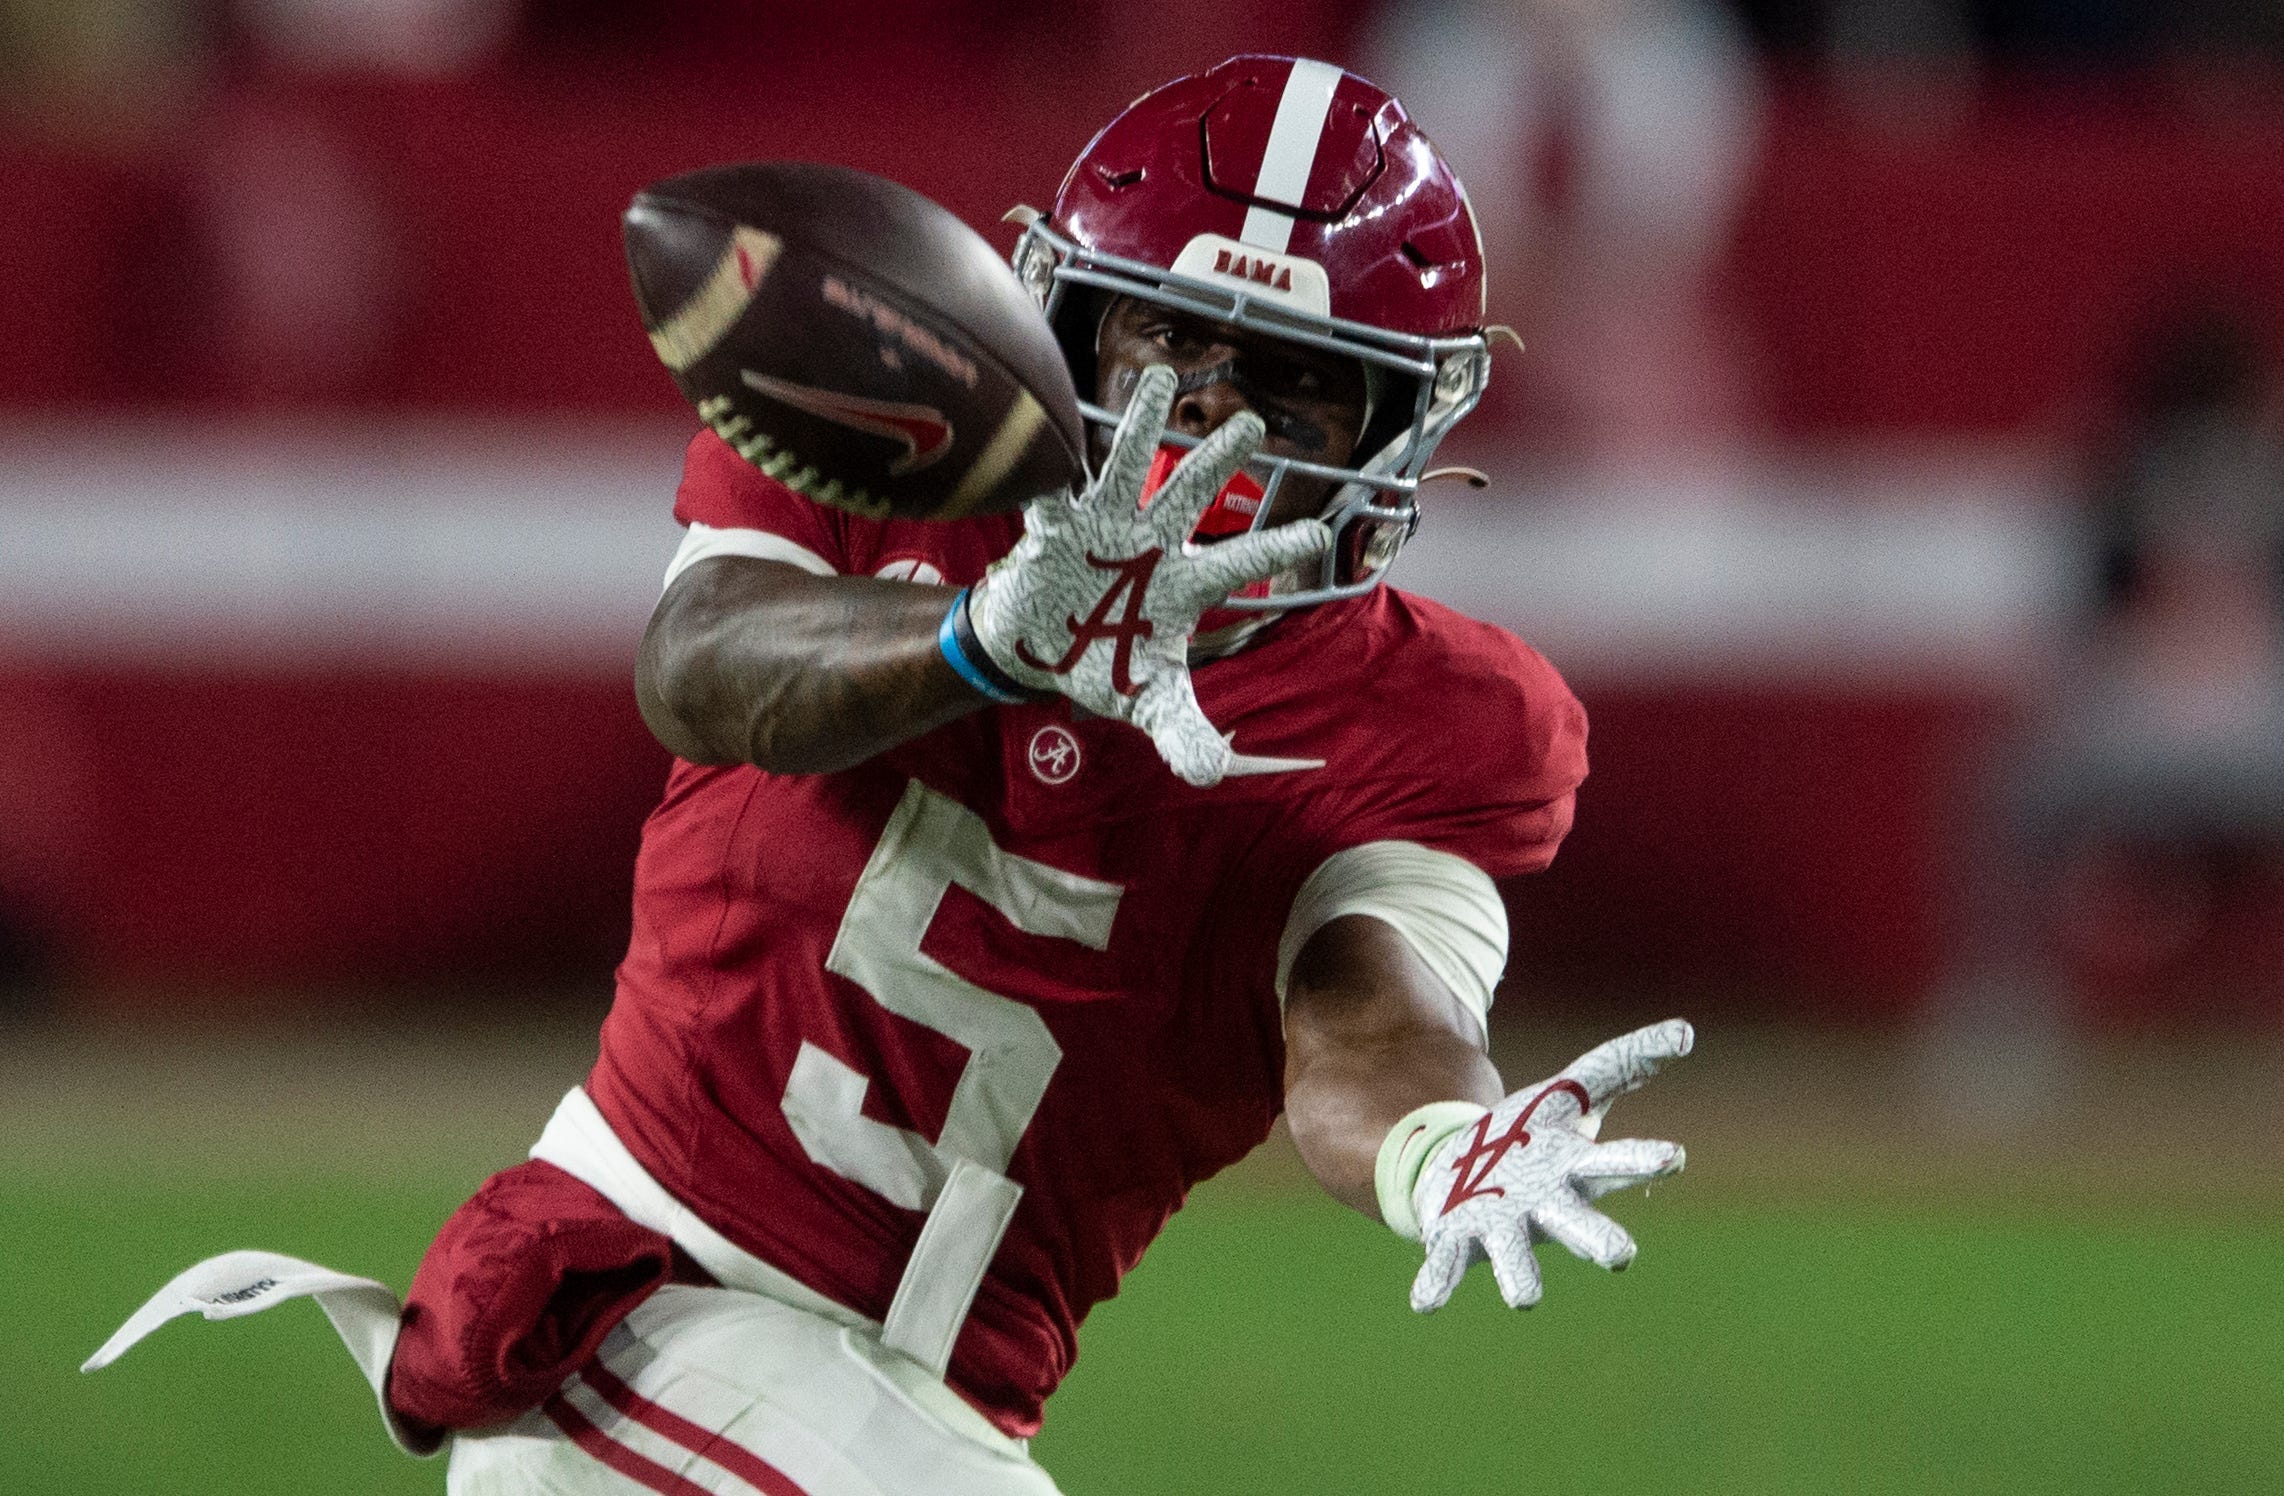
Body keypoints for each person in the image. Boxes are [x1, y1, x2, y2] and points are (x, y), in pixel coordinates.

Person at [88, 55, 1692, 1495]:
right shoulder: (885, 451)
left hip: (920, 1413)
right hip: (643, 1305)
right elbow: (700, 665)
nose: (1210, 415)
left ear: (1402, 427)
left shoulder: (1438, 723)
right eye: (1167, 341)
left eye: (1294, 380)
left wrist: (1433, 1146)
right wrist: (983, 637)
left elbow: (1372, 1015)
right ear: (1064, 319)